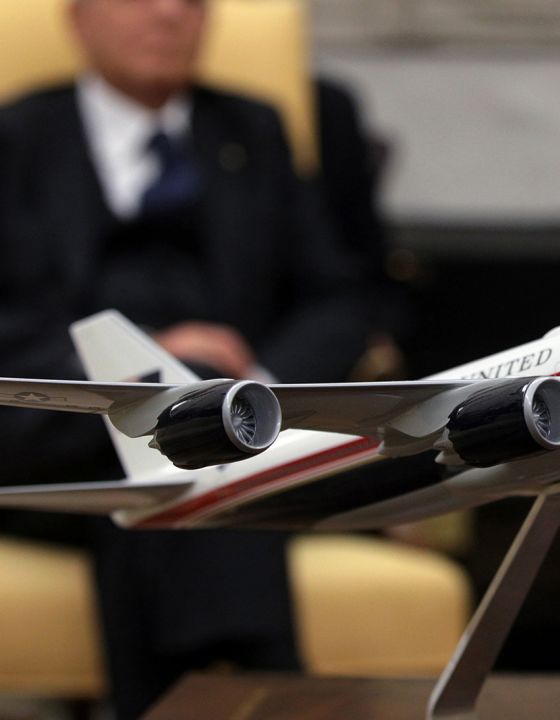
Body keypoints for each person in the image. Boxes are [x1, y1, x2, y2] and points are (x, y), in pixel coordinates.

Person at [0, 0, 370, 717]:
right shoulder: (18, 138)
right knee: (183, 428)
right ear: (78, 17)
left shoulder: (253, 130)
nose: (169, 14)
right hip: (60, 423)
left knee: (177, 459)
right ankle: (263, 688)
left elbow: (340, 298)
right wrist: (149, 363)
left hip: (233, 431)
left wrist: (255, 391)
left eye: (192, 1)